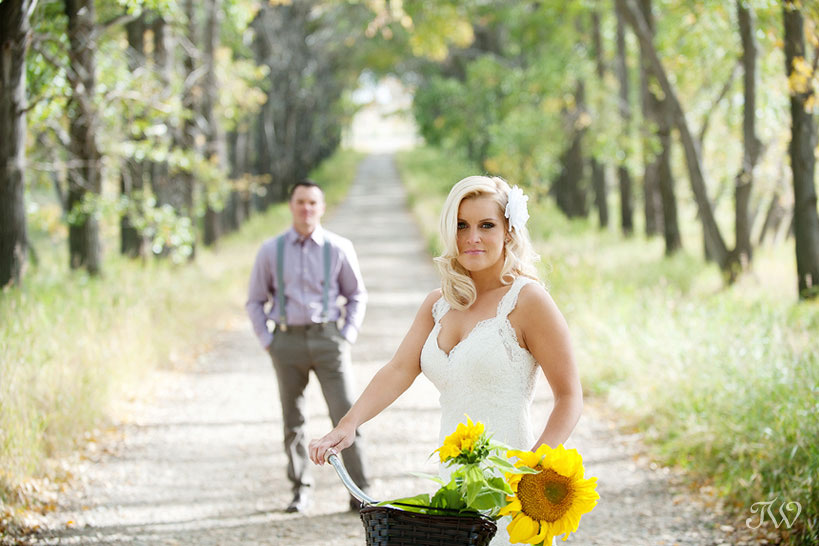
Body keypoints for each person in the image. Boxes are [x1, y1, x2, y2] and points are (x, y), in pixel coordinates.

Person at [308, 175, 583, 545]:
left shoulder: (528, 300)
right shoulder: (437, 304)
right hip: (452, 482)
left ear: (509, 231)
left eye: (487, 225)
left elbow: (569, 396)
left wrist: (532, 469)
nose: (472, 237)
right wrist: (347, 425)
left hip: (511, 484)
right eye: (461, 225)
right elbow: (399, 370)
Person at [246, 179, 370, 514]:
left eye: (313, 203)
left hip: (329, 339)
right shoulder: (271, 250)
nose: (306, 208)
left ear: (322, 207)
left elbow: (356, 295)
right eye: (300, 202)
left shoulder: (338, 247)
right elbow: (255, 300)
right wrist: (269, 341)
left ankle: (360, 492)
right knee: (293, 419)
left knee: (346, 414)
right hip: (286, 341)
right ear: (291, 206)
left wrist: (346, 335)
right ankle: (300, 490)